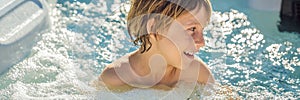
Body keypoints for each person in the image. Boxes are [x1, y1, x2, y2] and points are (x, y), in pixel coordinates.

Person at [99, 0, 215, 91]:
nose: (202, 42)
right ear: (154, 28)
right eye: (192, 29)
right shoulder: (115, 79)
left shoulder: (198, 74)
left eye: (202, 30)